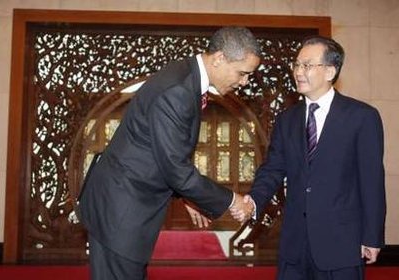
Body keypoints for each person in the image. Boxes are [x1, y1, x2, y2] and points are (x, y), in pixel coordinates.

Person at [78, 26, 261, 280]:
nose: (244, 82)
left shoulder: (185, 74)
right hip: (121, 209)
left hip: (125, 202)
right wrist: (232, 200)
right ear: (220, 58)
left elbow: (156, 150)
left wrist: (185, 197)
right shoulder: (178, 90)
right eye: (242, 73)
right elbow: (175, 168)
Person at [231, 36, 386, 279]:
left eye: (307, 65)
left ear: (330, 71)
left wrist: (372, 236)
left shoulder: (362, 117)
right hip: (294, 245)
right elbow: (272, 169)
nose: (298, 72)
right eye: (296, 64)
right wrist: (253, 201)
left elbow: (372, 181)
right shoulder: (286, 120)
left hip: (341, 244)